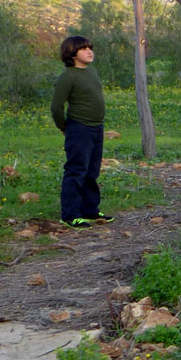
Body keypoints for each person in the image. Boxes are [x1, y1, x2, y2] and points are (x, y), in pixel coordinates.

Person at [50, 35, 110, 228]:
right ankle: (70, 214)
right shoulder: (67, 76)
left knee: (91, 171)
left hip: (96, 128)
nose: (89, 51)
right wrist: (65, 127)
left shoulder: (92, 72)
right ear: (72, 53)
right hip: (79, 129)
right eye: (84, 49)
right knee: (76, 170)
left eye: (90, 48)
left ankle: (89, 210)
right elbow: (56, 106)